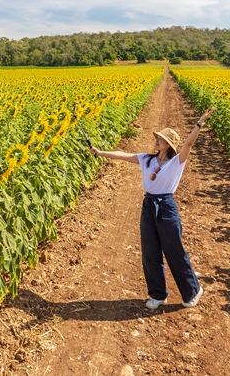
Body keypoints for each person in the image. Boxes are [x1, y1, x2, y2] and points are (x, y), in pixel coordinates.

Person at [89, 107, 215, 310]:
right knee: (150, 251)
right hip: (148, 205)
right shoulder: (147, 159)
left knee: (174, 250)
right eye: (157, 137)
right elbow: (123, 155)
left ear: (169, 144)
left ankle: (192, 290)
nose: (156, 140)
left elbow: (189, 143)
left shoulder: (177, 162)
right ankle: (158, 295)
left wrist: (199, 123)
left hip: (166, 206)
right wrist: (100, 153)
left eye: (161, 139)